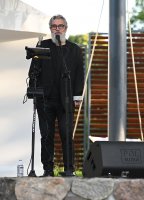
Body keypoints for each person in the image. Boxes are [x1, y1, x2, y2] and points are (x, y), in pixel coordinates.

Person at [28, 14, 84, 176]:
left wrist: (77, 96)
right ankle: (48, 169)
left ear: (66, 28)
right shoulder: (42, 46)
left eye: (60, 26)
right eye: (54, 26)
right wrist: (34, 91)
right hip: (45, 99)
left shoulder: (75, 49)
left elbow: (79, 74)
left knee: (66, 134)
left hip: (66, 99)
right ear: (50, 28)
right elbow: (33, 72)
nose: (57, 29)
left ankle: (69, 169)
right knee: (46, 135)